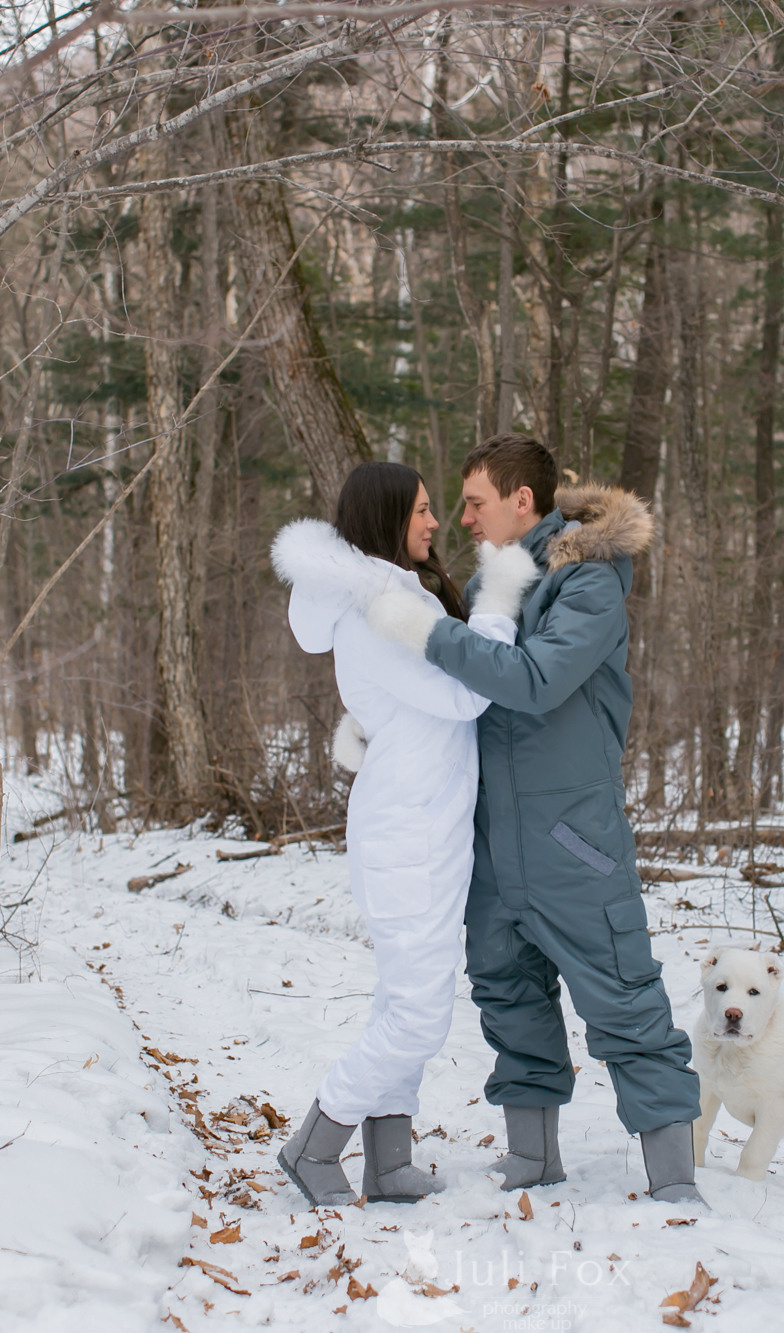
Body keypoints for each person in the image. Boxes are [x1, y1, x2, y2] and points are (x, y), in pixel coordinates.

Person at [368, 434, 704, 1204]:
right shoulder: (496, 583)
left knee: (622, 997)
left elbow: (538, 679)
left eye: (477, 501)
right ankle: (531, 1158)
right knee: (506, 992)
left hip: (572, 841)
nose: (464, 517)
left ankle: (674, 1181)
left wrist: (426, 631)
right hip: (493, 842)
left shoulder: (586, 582)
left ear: (524, 501)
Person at [268, 461, 540, 1206]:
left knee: (404, 998)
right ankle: (316, 1141)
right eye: (421, 510)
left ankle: (389, 1161)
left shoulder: (391, 596)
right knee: (418, 1014)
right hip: (408, 829)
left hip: (422, 820)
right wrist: (497, 608)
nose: (434, 523)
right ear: (387, 517)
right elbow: (462, 691)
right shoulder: (386, 604)